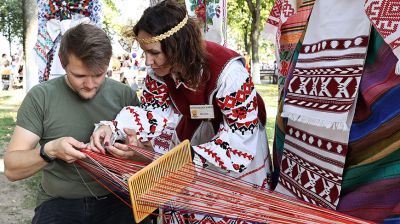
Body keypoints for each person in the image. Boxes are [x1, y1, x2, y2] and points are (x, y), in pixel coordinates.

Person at [90, 0, 272, 223]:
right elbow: (153, 112)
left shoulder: (229, 73)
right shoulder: (159, 71)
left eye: (154, 52)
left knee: (229, 210)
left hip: (234, 145)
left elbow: (239, 140)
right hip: (194, 135)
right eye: (145, 52)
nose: (148, 61)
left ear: (178, 45)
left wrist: (186, 159)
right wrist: (113, 127)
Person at [4, 23, 140, 224]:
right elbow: (11, 169)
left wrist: (134, 152)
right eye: (80, 76)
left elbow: (149, 155)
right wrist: (50, 151)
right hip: (59, 202)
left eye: (99, 74)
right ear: (63, 62)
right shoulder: (41, 97)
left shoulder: (124, 95)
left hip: (117, 199)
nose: (91, 84)